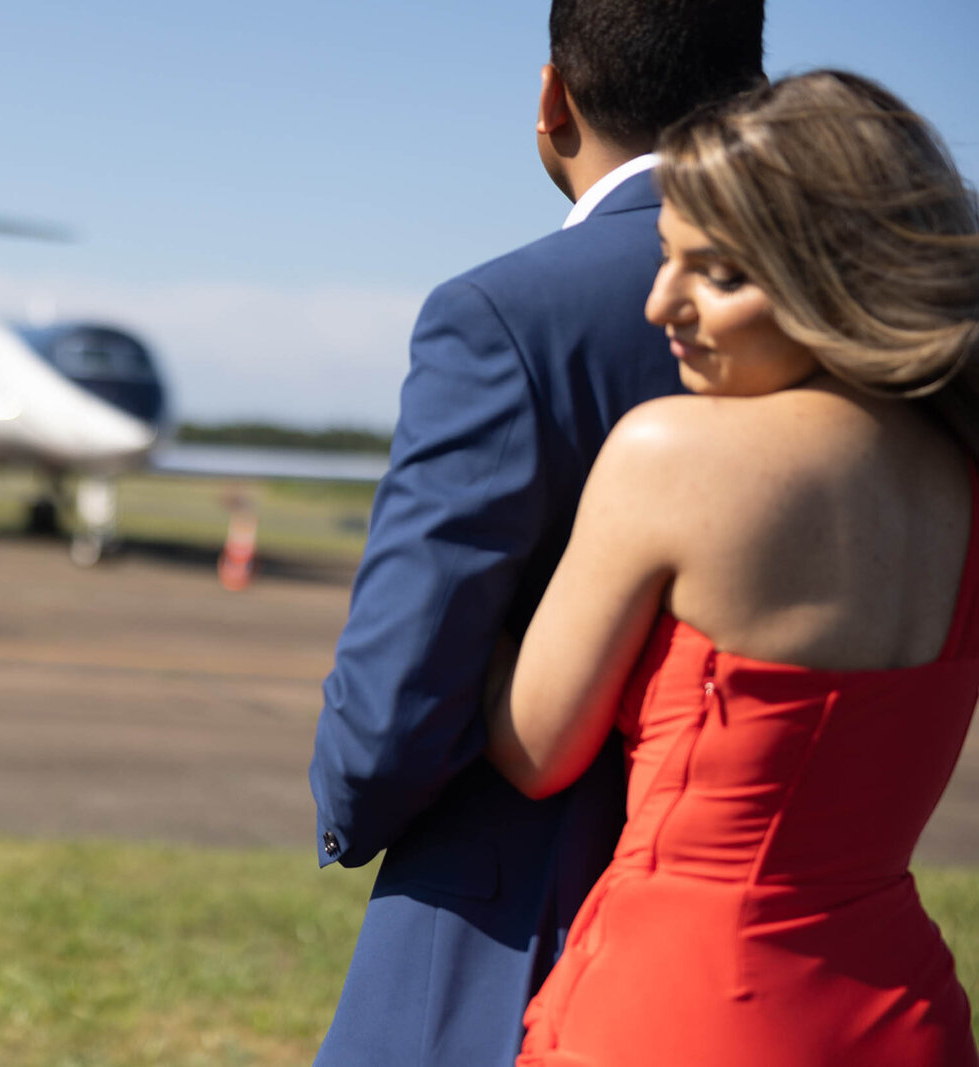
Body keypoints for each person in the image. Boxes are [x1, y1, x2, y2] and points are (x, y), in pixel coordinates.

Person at [487, 70, 979, 1066]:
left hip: (678, 1008)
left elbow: (534, 748)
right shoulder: (963, 477)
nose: (659, 302)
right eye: (669, 259)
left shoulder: (674, 452)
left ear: (833, 278)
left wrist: (475, 602)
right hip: (902, 1014)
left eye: (717, 274)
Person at [308, 2, 765, 1063]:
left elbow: (396, 690)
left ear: (553, 97)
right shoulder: (878, 312)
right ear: (750, 98)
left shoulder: (505, 312)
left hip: (515, 913)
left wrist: (355, 803)